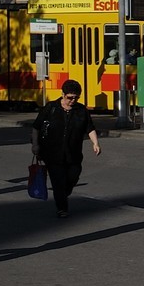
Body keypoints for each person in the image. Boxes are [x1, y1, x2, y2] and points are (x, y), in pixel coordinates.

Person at [31, 80, 101, 218]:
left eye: (76, 97)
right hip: (52, 153)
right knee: (58, 181)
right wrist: (35, 145)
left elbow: (90, 128)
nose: (73, 100)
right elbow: (36, 127)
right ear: (63, 94)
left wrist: (95, 143)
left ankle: (64, 193)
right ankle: (62, 208)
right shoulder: (51, 108)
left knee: (73, 176)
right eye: (70, 97)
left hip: (73, 154)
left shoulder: (81, 110)